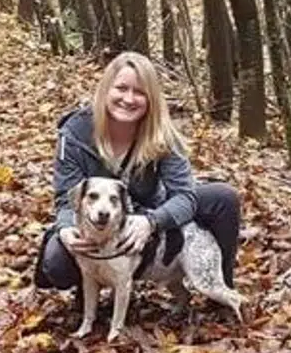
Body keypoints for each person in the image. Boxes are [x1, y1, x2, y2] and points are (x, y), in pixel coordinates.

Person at [33, 51, 242, 294]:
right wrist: (66, 229)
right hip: (96, 221)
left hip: (151, 212)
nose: (129, 99)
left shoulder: (163, 134)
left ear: (151, 99)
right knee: (56, 262)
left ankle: (222, 289)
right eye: (121, 88)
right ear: (105, 90)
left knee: (223, 198)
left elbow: (185, 197)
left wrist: (152, 222)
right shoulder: (75, 133)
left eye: (140, 92)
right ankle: (88, 293)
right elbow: (64, 199)